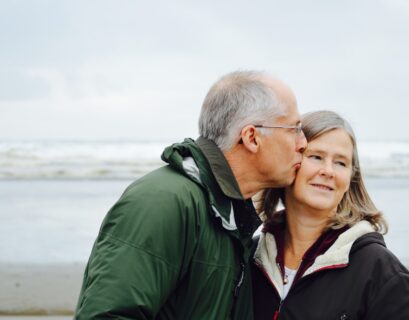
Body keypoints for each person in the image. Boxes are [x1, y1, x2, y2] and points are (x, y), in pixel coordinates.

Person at [75, 70, 307, 319]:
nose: (303, 143)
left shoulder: (228, 213)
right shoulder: (164, 201)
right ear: (251, 137)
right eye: (293, 128)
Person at [252, 110, 409, 319]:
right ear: (290, 163)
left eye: (341, 162)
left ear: (350, 179)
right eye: (316, 157)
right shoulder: (252, 257)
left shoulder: (380, 271)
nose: (328, 171)